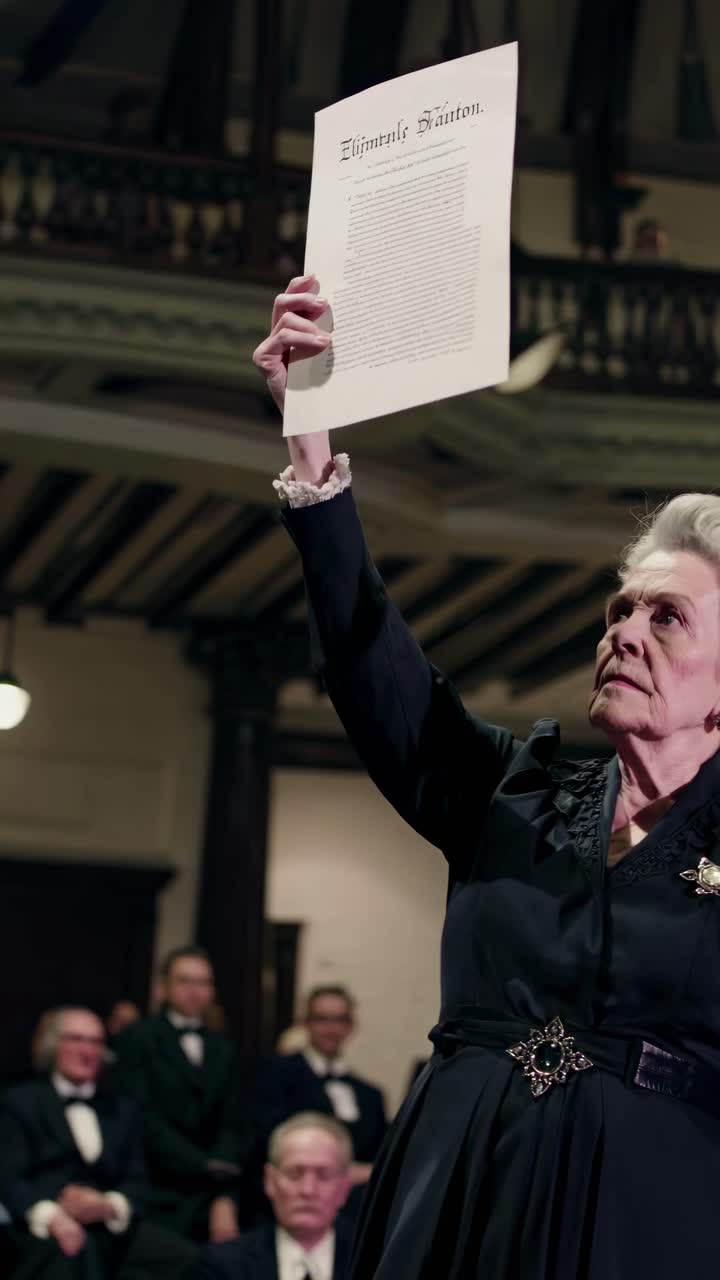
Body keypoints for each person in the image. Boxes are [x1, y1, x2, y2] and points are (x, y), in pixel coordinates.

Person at [252, 273, 720, 1278]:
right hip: (460, 1189)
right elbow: (384, 681)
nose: (625, 633)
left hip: (655, 1215)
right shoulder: (514, 789)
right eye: (619, 612)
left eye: (665, 616)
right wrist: (315, 459)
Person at [0, 1006, 195, 1279]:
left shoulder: (123, 1109)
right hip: (42, 1228)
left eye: (95, 1042)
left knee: (189, 1260)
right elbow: (10, 1178)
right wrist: (52, 1215)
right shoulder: (21, 1102)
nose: (87, 1050)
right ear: (53, 1045)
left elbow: (138, 1180)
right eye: (76, 1039)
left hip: (111, 1229)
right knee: (70, 1256)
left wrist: (109, 1205)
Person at [114, 947, 248, 1244]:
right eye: (185, 981)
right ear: (163, 987)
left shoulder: (222, 1047)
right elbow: (141, 1117)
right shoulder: (138, 1038)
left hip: (213, 1191)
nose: (195, 991)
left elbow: (232, 1119)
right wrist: (203, 1165)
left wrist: (223, 1178)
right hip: (159, 1187)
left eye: (203, 982)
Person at [258, 987, 387, 1204]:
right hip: (290, 1201)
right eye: (321, 1019)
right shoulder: (275, 1073)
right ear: (305, 1023)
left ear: (350, 1027)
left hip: (354, 1210)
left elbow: (383, 1158)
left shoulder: (370, 1095)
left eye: (338, 1020)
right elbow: (264, 1143)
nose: (330, 1028)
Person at [194, 1113, 353, 1280]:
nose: (308, 1190)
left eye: (324, 1175)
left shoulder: (373, 1263)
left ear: (344, 1188)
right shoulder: (220, 1265)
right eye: (294, 1173)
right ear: (270, 1181)